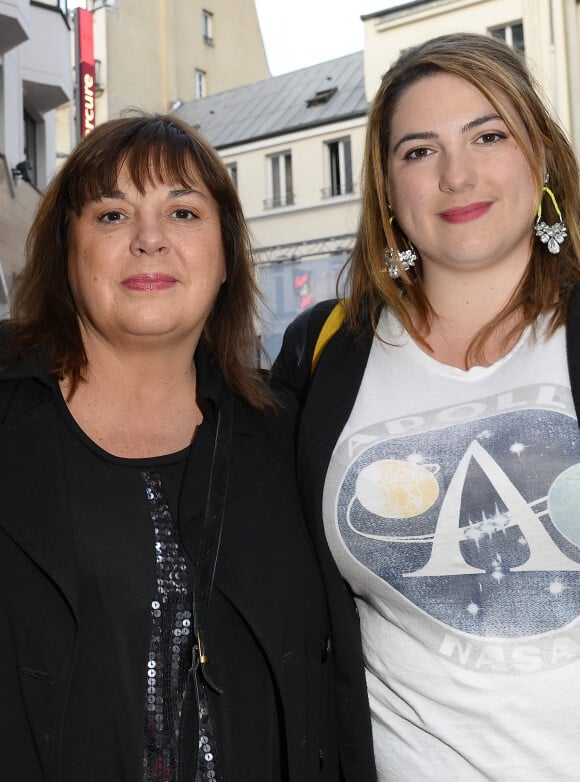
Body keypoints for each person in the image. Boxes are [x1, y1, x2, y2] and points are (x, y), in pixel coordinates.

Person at [0, 114, 366, 782]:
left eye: (183, 212)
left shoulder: (292, 436)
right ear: (65, 252)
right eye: (112, 215)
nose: (149, 240)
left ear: (225, 256)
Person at [273, 32, 580, 781]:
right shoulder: (324, 356)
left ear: (539, 156)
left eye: (488, 134)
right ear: (386, 189)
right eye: (418, 151)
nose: (456, 174)